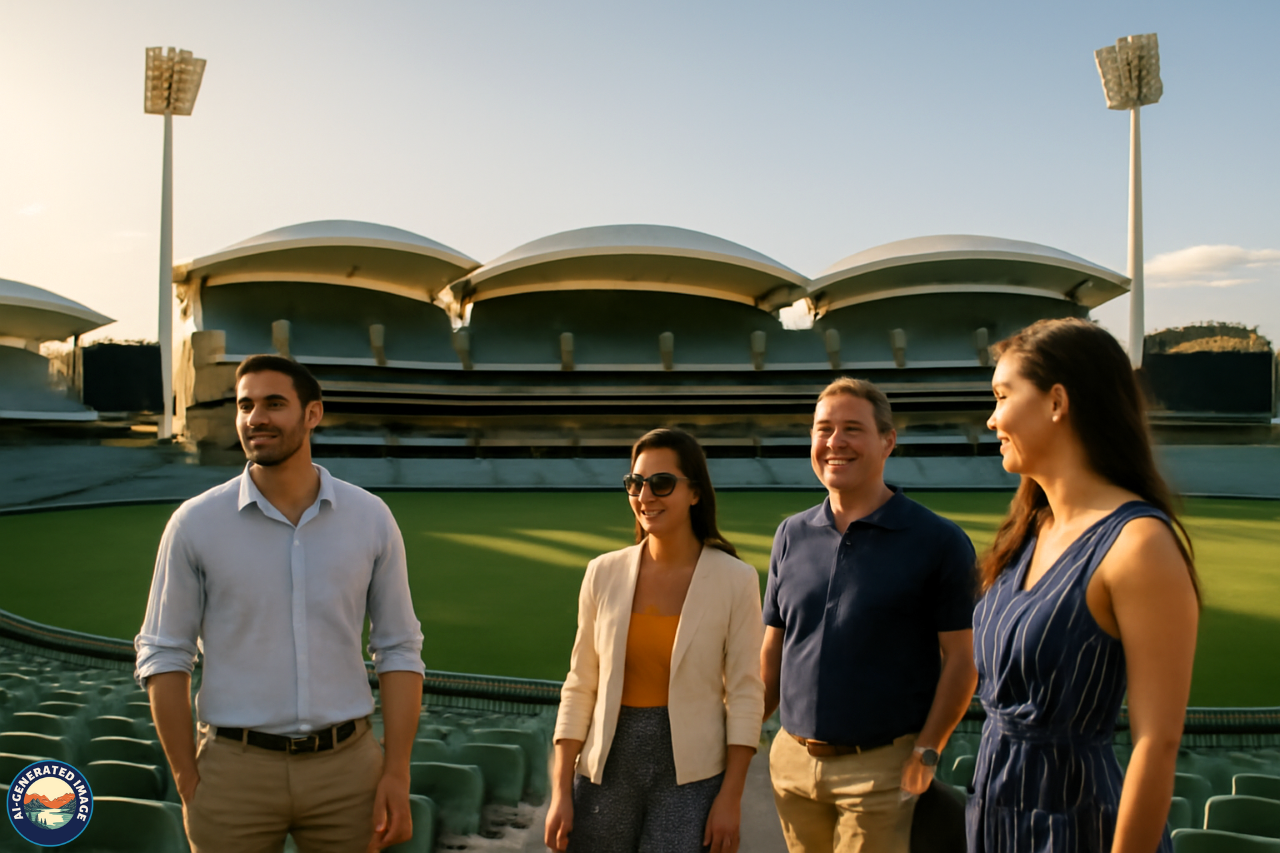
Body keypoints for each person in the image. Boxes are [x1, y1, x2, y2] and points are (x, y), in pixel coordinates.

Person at [134, 355, 426, 853]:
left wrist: (395, 773)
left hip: (348, 772)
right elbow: (164, 653)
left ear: (313, 414)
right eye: (245, 405)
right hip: (233, 773)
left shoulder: (370, 517)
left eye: (274, 404)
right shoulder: (195, 523)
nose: (255, 418)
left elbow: (399, 648)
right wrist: (187, 778)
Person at [967, 317, 1199, 853]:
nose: (991, 419)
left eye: (1002, 396)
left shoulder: (1138, 544)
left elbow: (1157, 743)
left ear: (1057, 402)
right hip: (995, 816)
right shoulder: (1031, 527)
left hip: (1078, 827)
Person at [760, 377, 979, 853]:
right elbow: (775, 645)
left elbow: (963, 659)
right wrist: (743, 736)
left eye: (852, 429)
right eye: (823, 429)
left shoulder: (937, 541)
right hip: (792, 763)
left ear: (888, 441)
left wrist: (928, 749)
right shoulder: (791, 534)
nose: (835, 442)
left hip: (882, 768)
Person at [545, 428, 765, 853]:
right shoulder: (602, 573)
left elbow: (745, 693)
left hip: (692, 775)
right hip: (606, 766)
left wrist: (730, 798)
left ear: (695, 493)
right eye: (635, 483)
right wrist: (559, 791)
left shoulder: (735, 580)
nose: (645, 496)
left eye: (661, 483)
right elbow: (579, 685)